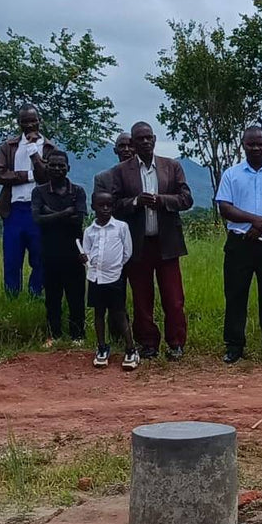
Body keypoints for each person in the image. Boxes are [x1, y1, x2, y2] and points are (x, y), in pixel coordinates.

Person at [109, 121, 193, 362]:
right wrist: (136, 202)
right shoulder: (121, 171)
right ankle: (148, 343)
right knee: (142, 298)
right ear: (133, 143)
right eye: (140, 139)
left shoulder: (171, 166)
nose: (145, 142)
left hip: (168, 243)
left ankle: (176, 343)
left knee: (174, 298)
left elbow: (186, 199)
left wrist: (161, 200)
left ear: (155, 139)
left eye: (149, 137)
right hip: (138, 244)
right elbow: (113, 205)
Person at [216, 125, 262, 364]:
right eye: (251, 144)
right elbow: (225, 207)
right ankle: (234, 346)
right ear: (244, 146)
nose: (256, 148)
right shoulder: (231, 174)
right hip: (239, 244)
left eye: (260, 144)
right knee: (235, 295)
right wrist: (254, 220)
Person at [0, 105, 54, 295]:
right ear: (18, 123)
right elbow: (0, 174)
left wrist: (33, 150)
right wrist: (29, 175)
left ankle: (35, 296)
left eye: (33, 120)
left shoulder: (49, 148)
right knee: (12, 258)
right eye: (25, 121)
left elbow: (46, 176)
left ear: (39, 120)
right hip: (14, 210)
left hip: (40, 209)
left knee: (40, 257)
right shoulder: (8, 146)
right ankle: (12, 298)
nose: (29, 125)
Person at [32, 148, 87, 345]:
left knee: (76, 296)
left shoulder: (78, 191)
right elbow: (37, 219)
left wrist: (50, 212)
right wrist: (65, 212)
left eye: (61, 165)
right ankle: (54, 335)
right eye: (53, 165)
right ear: (46, 167)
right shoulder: (39, 191)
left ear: (68, 168)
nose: (57, 169)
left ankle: (78, 335)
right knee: (52, 297)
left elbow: (78, 219)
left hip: (74, 252)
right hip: (49, 252)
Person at [83, 191, 136, 369]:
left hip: (114, 278)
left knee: (119, 313)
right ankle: (102, 347)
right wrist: (85, 260)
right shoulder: (89, 231)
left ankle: (130, 349)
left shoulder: (121, 227)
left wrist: (115, 267)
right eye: (101, 205)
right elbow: (86, 253)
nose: (105, 209)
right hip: (95, 278)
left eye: (109, 205)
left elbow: (127, 252)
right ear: (93, 207)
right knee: (98, 313)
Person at [94, 132, 133, 201]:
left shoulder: (145, 174)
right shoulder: (103, 179)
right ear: (115, 150)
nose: (126, 149)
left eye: (130, 146)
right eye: (122, 146)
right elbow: (101, 204)